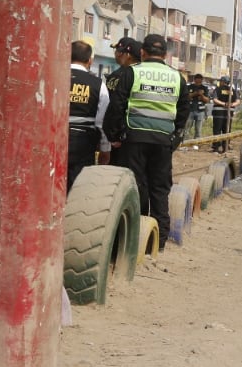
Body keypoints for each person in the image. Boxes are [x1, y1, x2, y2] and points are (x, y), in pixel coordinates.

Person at [102, 34, 187, 252]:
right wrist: (173, 140)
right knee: (159, 188)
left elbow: (116, 107)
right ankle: (158, 242)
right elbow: (183, 114)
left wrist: (113, 136)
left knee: (135, 185)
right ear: (166, 54)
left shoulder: (132, 73)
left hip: (135, 139)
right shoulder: (177, 78)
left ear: (142, 52)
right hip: (162, 140)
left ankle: (133, 239)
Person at [66, 40, 111, 193]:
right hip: (83, 142)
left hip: (53, 137)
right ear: (89, 60)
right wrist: (105, 149)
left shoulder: (55, 77)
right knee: (78, 188)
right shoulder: (98, 84)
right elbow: (102, 121)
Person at [105, 36, 143, 169]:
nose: (115, 54)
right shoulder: (141, 75)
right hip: (134, 133)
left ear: (125, 54)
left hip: (120, 133)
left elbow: (115, 106)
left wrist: (112, 134)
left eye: (117, 51)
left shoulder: (125, 75)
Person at [210, 75, 240, 154]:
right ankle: (225, 148)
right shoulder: (233, 90)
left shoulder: (218, 89)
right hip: (228, 114)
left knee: (217, 130)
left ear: (223, 82)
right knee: (227, 130)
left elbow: (215, 100)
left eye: (220, 81)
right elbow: (238, 101)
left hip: (218, 113)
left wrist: (224, 104)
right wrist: (231, 104)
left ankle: (216, 148)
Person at [186, 73, 211, 140]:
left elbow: (207, 100)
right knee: (186, 128)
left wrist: (202, 96)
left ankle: (196, 143)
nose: (199, 80)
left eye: (200, 78)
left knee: (198, 129)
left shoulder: (204, 88)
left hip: (200, 111)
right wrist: (195, 94)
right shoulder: (189, 87)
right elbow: (186, 97)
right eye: (197, 78)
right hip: (190, 110)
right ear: (194, 79)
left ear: (202, 79)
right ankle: (185, 143)